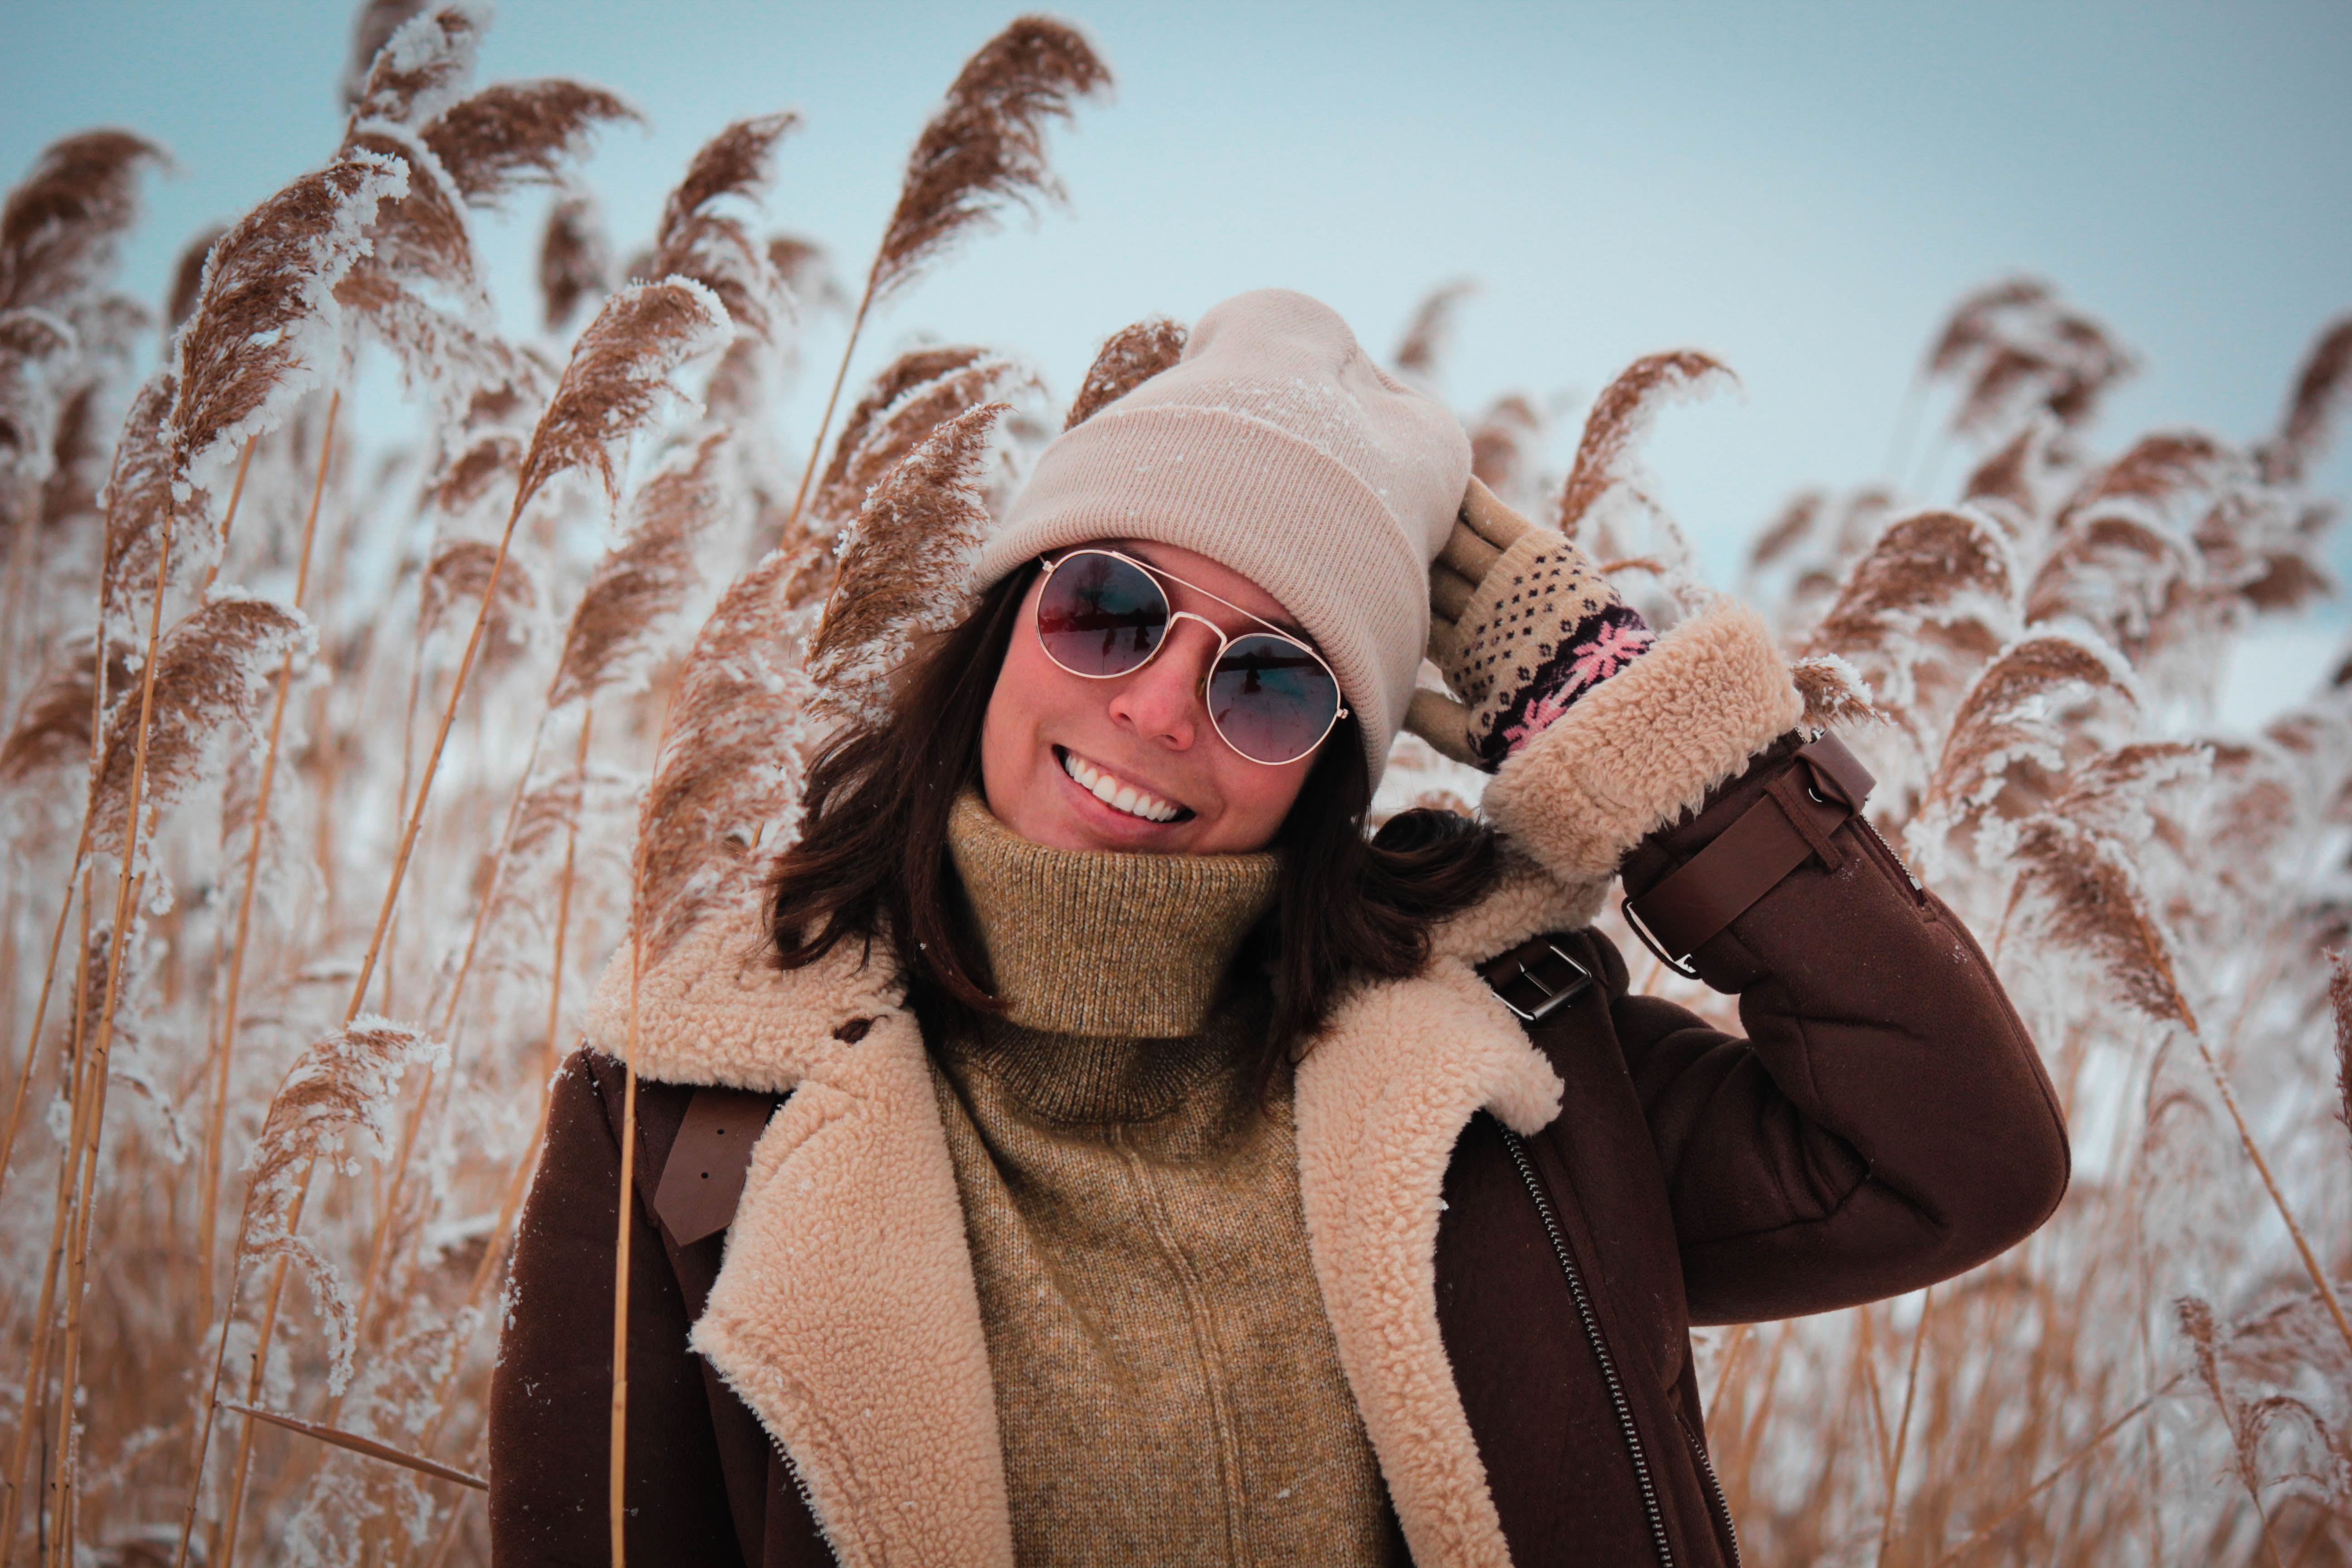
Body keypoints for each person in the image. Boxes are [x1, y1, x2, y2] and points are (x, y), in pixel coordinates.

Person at [488, 289, 2068, 1567]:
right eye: (1108, 607)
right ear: (997, 627)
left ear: (1331, 762)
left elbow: (1959, 1160)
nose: (1162, 705)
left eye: (1270, 679)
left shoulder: (1510, 1072)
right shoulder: (677, 1137)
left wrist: (1641, 730)